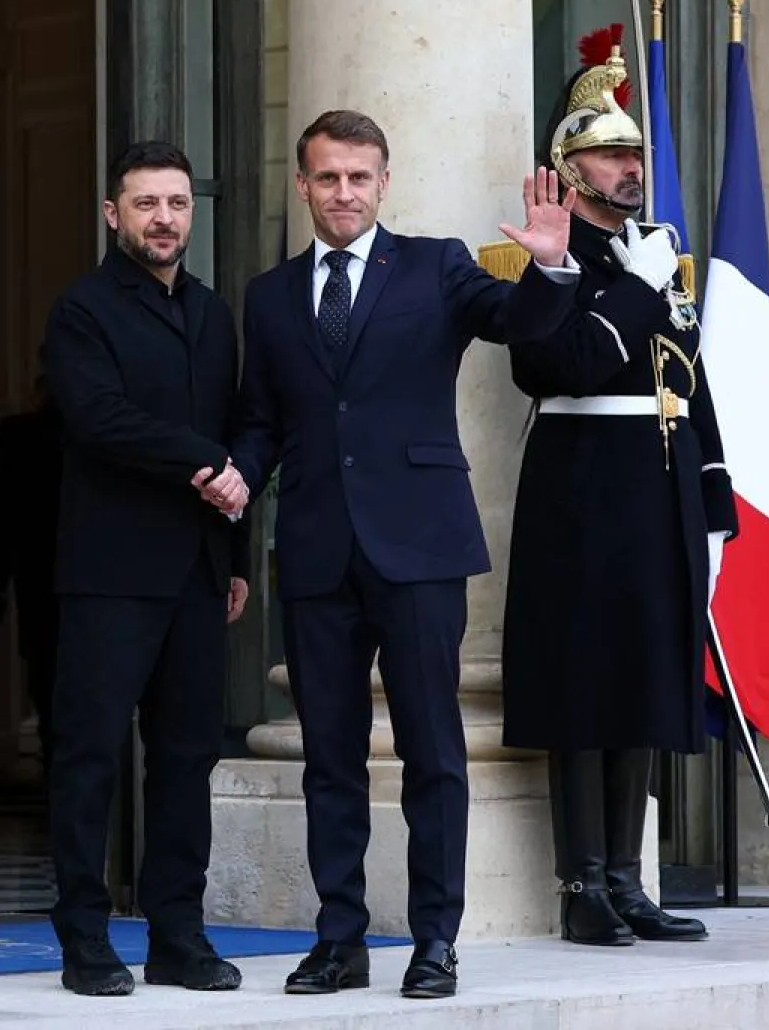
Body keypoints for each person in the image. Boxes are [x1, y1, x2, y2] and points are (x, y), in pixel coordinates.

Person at [206, 109, 580, 1000]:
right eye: (327, 177)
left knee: (432, 751)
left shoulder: (438, 265)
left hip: (418, 543)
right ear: (302, 185)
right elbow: (265, 420)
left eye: (359, 177)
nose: (343, 193)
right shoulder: (270, 294)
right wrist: (238, 475)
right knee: (328, 756)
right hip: (318, 551)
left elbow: (518, 322)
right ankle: (338, 940)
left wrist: (551, 265)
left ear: (384, 182)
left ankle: (435, 940)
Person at [498, 29, 735, 946]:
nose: (629, 163)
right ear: (569, 164)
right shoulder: (551, 262)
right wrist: (632, 290)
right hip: (583, 491)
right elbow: (558, 365)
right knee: (585, 685)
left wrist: (712, 502)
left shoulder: (651, 253)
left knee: (643, 680)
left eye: (634, 149)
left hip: (658, 488)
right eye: (609, 150)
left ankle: (630, 880)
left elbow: (690, 378)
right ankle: (581, 884)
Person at [41, 140, 251, 997]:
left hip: (199, 570)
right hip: (109, 570)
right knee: (89, 756)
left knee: (186, 758)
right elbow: (99, 419)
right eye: (145, 203)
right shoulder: (82, 310)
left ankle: (178, 933)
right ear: (112, 213)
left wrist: (234, 557)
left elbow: (237, 430)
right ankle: (84, 937)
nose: (163, 218)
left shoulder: (210, 312)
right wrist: (204, 461)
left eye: (176, 203)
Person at [0, 367, 64, 775]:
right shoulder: (24, 434)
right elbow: (1, 511)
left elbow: (0, 511)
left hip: (49, 576)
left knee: (51, 684)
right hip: (43, 575)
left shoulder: (27, 434)